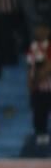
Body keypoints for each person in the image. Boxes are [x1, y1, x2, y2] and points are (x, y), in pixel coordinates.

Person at [28, 21, 51, 149]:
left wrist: (36, 81)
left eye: (42, 28)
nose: (39, 31)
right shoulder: (33, 47)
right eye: (37, 28)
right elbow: (30, 68)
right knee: (39, 119)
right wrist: (30, 87)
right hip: (38, 91)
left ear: (47, 31)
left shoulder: (49, 47)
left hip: (48, 89)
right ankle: (41, 146)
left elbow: (49, 67)